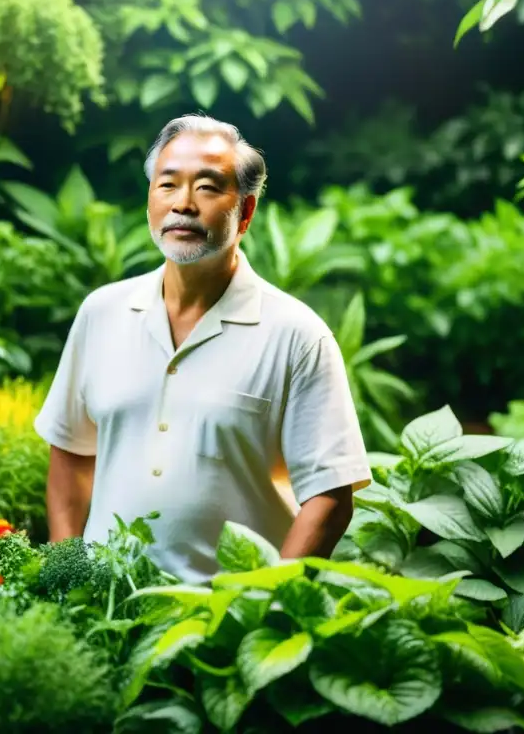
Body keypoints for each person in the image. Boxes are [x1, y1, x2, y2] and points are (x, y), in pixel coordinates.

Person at [34, 114, 371, 583]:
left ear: (246, 212)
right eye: (167, 185)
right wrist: (66, 577)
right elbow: (71, 453)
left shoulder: (297, 335)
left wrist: (264, 605)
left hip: (221, 620)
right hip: (102, 609)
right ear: (150, 199)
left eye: (209, 187)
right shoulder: (101, 313)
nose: (184, 205)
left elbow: (330, 498)